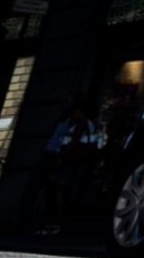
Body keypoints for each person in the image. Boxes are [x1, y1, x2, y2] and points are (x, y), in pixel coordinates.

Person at [35, 99, 103, 237]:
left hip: (69, 160)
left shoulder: (82, 124)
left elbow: (74, 141)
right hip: (71, 159)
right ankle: (52, 223)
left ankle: (53, 223)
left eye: (75, 110)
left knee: (57, 191)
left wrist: (62, 155)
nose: (73, 113)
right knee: (57, 191)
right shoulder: (86, 124)